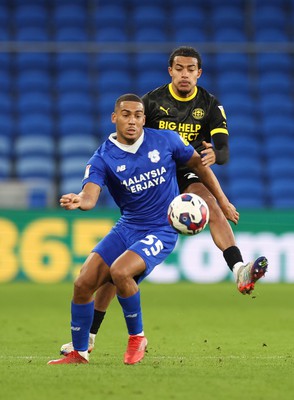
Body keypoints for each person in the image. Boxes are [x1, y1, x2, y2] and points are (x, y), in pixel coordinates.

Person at [60, 47, 268, 356]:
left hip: (186, 166)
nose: (185, 73)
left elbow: (222, 150)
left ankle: (237, 267)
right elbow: (126, 135)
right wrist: (83, 196)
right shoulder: (150, 103)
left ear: (199, 73)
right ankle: (87, 339)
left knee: (208, 201)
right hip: (156, 172)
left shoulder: (209, 104)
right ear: (170, 71)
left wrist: (217, 161)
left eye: (191, 69)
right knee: (103, 278)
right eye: (179, 68)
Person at [48, 93, 242, 365]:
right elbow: (90, 196)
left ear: (144, 118)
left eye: (138, 115)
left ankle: (137, 337)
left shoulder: (166, 140)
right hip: (128, 226)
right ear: (114, 117)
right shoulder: (103, 157)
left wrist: (222, 201)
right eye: (126, 114)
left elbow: (199, 165)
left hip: (161, 228)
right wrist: (80, 200)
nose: (133, 120)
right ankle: (79, 352)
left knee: (120, 271)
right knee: (83, 283)